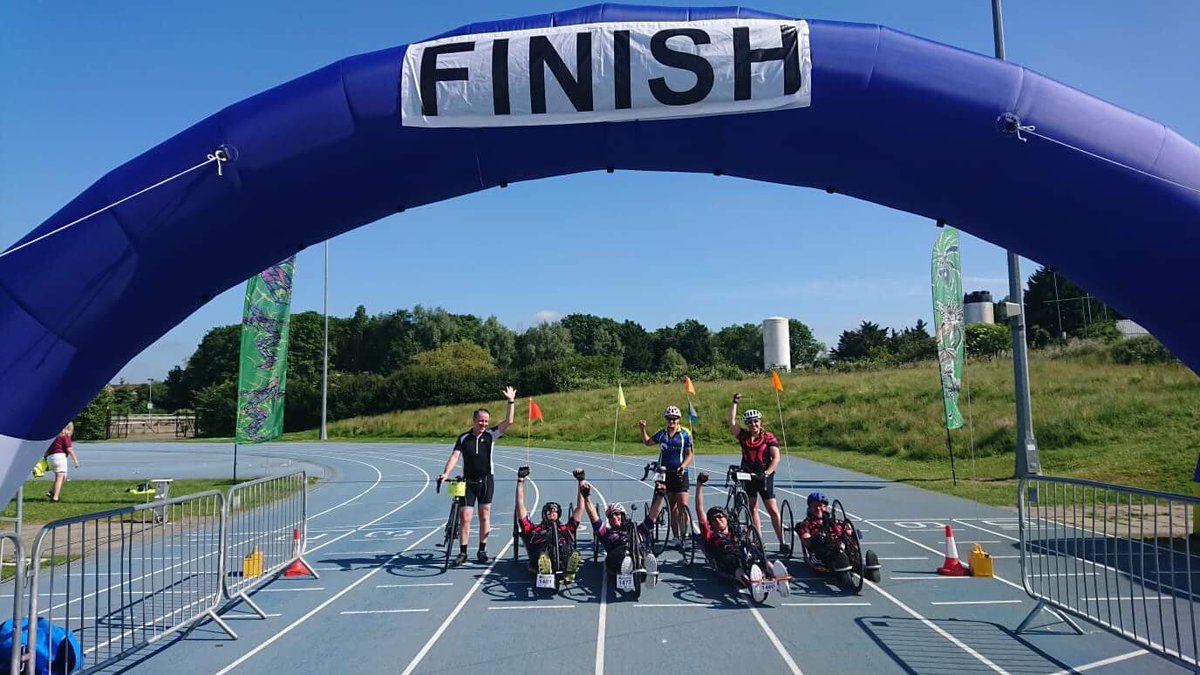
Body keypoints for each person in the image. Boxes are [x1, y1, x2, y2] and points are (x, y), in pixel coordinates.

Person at [437, 386, 517, 565]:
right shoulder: (464, 438)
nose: (484, 424)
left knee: (484, 515)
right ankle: (463, 552)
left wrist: (510, 401)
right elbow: (455, 456)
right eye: (481, 421)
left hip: (487, 480)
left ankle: (482, 550)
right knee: (464, 517)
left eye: (486, 421)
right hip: (468, 481)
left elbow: (509, 422)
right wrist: (445, 473)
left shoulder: (490, 435)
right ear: (474, 420)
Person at [728, 393, 787, 554]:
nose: (753, 424)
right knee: (752, 508)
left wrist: (767, 472)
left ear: (760, 422)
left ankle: (782, 541)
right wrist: (734, 403)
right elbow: (732, 423)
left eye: (756, 421)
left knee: (772, 510)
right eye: (750, 422)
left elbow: (776, 458)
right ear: (747, 424)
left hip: (764, 476)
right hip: (748, 475)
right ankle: (758, 541)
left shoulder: (768, 437)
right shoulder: (744, 437)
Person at [580, 470, 664, 582]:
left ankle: (646, 566)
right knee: (619, 556)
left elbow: (653, 515)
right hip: (617, 560)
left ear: (623, 515)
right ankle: (626, 568)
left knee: (643, 551)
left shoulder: (637, 529)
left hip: (639, 554)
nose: (614, 517)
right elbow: (593, 516)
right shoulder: (607, 533)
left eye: (617, 514)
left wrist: (660, 496)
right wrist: (586, 496)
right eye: (610, 516)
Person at [514, 466, 584, 583]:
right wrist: (521, 480)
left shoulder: (565, 528)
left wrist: (581, 481)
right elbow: (520, 507)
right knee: (542, 556)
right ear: (544, 514)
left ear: (559, 514)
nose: (552, 512)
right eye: (549, 511)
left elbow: (580, 508)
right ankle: (545, 566)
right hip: (540, 553)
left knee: (569, 554)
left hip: (562, 554)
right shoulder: (534, 529)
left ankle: (569, 570)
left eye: (555, 511)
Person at [795, 491, 881, 582]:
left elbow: (847, 530)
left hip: (840, 548)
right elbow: (806, 542)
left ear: (826, 507)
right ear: (810, 508)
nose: (818, 508)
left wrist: (853, 534)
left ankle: (869, 571)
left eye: (821, 505)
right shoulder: (806, 524)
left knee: (850, 554)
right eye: (815, 506)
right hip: (820, 553)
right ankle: (841, 569)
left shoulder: (835, 522)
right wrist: (815, 539)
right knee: (832, 555)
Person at [639, 406, 693, 547]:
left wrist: (683, 466)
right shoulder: (661, 434)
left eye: (674, 419)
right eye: (669, 418)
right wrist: (642, 429)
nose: (672, 421)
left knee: (683, 505)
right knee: (672, 508)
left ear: (678, 419)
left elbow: (689, 454)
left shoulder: (685, 434)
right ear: (666, 419)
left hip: (680, 473)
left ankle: (684, 535)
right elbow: (648, 442)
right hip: (664, 474)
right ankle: (675, 537)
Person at [692, 471, 748, 583]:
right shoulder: (710, 535)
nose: (717, 519)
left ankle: (776, 573)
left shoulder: (735, 532)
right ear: (711, 524)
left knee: (756, 552)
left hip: (744, 554)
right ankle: (748, 581)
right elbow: (699, 510)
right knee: (734, 562)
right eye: (713, 519)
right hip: (725, 558)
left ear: (726, 518)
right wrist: (699, 484)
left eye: (720, 516)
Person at [44, 422, 80, 502]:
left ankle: (52, 492)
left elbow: (47, 448)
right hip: (60, 457)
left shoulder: (54, 437)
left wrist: (45, 457)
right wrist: (76, 460)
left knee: (63, 476)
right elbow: (69, 449)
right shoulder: (65, 436)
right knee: (59, 478)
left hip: (51, 457)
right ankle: (55, 498)